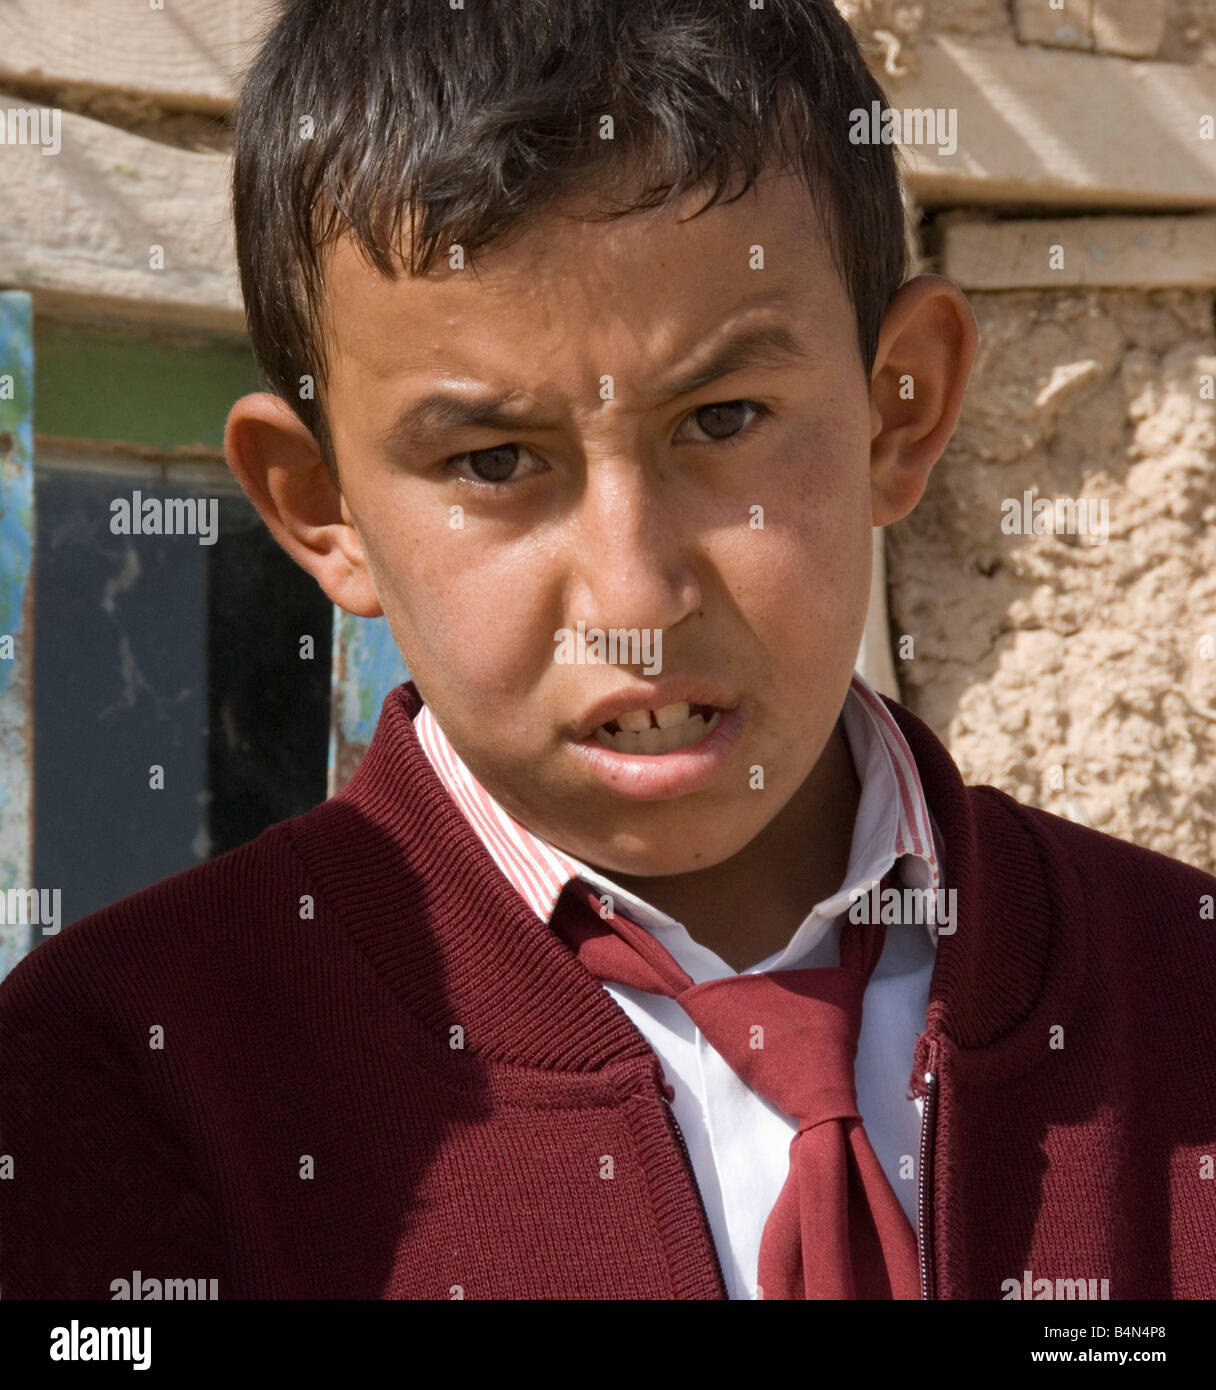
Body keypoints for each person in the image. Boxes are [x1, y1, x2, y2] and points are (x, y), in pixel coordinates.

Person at [2, 0, 1213, 1300]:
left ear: (898, 407)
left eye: (725, 416)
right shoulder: (121, 1077)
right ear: (321, 505)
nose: (635, 594)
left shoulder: (1181, 1004)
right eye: (496, 461)